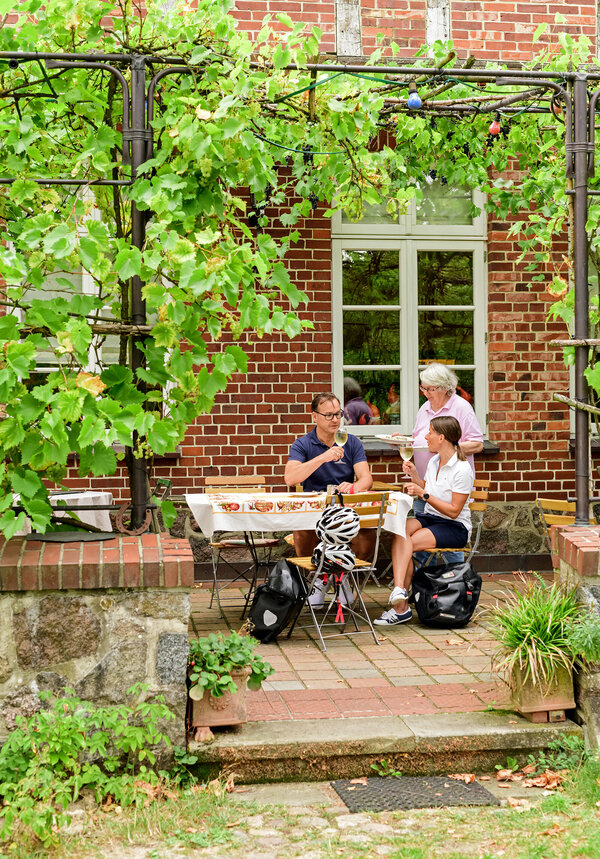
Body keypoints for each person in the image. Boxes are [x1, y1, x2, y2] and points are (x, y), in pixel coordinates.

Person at [374, 415, 474, 626]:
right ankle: (400, 591)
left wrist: (424, 494)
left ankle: (400, 605)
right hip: (431, 517)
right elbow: (427, 488)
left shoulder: (462, 469)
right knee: (400, 528)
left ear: (442, 437)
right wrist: (415, 477)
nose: (426, 437)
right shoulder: (434, 461)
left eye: (430, 432)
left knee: (408, 541)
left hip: (454, 526)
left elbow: (454, 511)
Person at [284, 392, 374, 559]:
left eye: (338, 414)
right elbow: (290, 478)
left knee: (367, 535)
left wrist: (354, 487)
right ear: (314, 417)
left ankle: (343, 574)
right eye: (328, 415)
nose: (335, 420)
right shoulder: (302, 443)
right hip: (314, 510)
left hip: (345, 508)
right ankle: (316, 578)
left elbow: (366, 478)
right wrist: (323, 458)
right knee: (302, 530)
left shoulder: (352, 442)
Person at [410, 363, 483, 565]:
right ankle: (427, 585)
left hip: (450, 486)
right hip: (425, 483)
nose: (424, 393)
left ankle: (456, 581)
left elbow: (477, 444)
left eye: (429, 389)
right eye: (422, 388)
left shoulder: (461, 407)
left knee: (449, 545)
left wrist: (447, 449)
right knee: (423, 546)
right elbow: (420, 437)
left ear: (443, 387)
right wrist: (405, 441)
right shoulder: (425, 408)